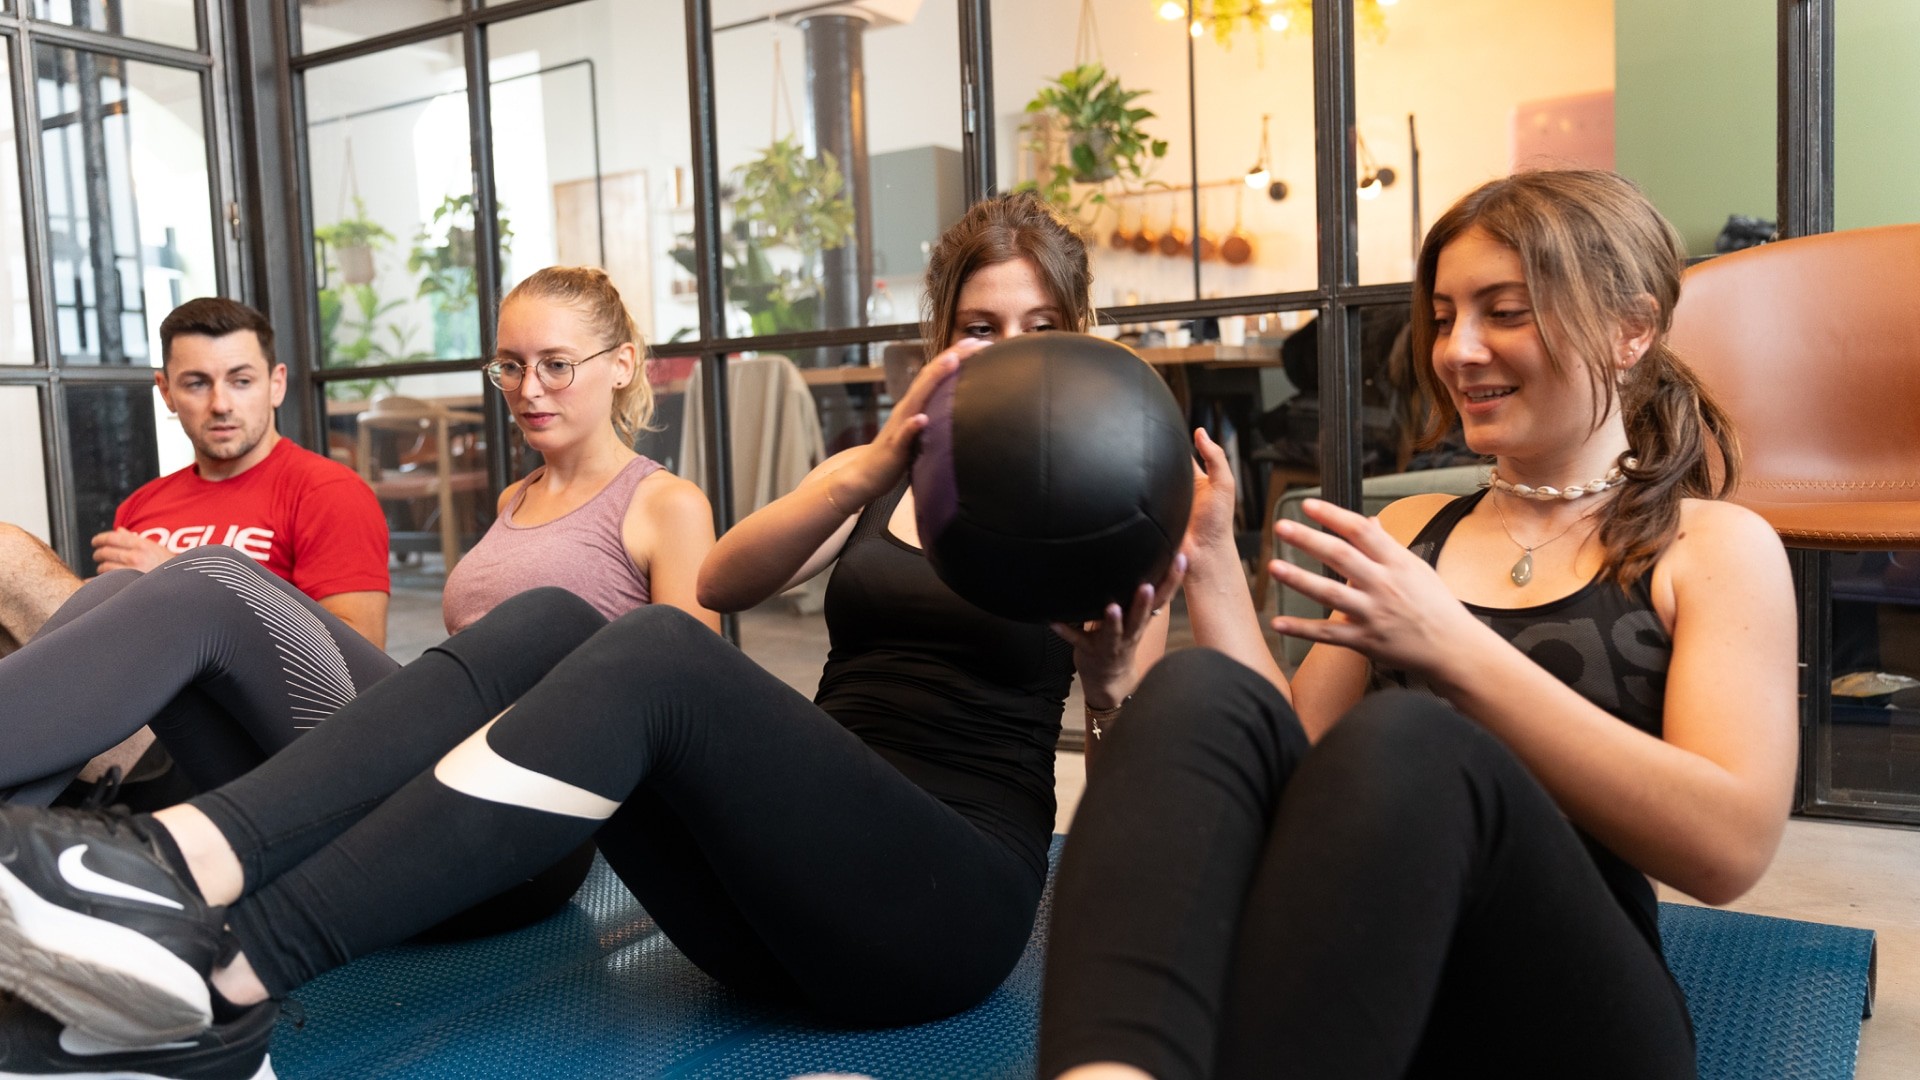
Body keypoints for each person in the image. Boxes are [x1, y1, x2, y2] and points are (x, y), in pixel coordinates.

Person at [0, 193, 1178, 1076]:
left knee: (661, 652)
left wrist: (1113, 678)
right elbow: (734, 572)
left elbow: (1144, 806)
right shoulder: (896, 474)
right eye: (979, 324)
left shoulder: (1102, 508)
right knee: (560, 618)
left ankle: (230, 970)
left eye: (1035, 323)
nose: (1005, 346)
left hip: (940, 910)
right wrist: (870, 464)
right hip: (781, 899)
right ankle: (173, 867)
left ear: (1078, 332)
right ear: (942, 332)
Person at [1038, 170, 1797, 1080]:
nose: (1457, 350)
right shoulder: (1414, 533)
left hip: (1568, 1022)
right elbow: (1296, 762)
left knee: (1412, 734)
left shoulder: (1711, 546)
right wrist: (1206, 558)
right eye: (1443, 317)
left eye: (1503, 312)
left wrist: (1458, 651)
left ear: (1631, 328)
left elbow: (1728, 851)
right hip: (1368, 992)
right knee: (1198, 686)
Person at [0, 267, 718, 815]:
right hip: (434, 728)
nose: (529, 388)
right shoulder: (515, 499)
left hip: (516, 775)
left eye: (557, 365)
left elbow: (687, 710)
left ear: (621, 364)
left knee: (207, 578)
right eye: (510, 366)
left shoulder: (666, 504)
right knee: (121, 589)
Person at [0, 297, 391, 788]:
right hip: (137, 723)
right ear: (165, 391)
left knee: (7, 554)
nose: (221, 403)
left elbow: (355, 654)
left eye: (241, 380)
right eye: (196, 383)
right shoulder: (144, 503)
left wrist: (180, 573)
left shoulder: (326, 491)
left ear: (277, 384)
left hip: (244, 737)